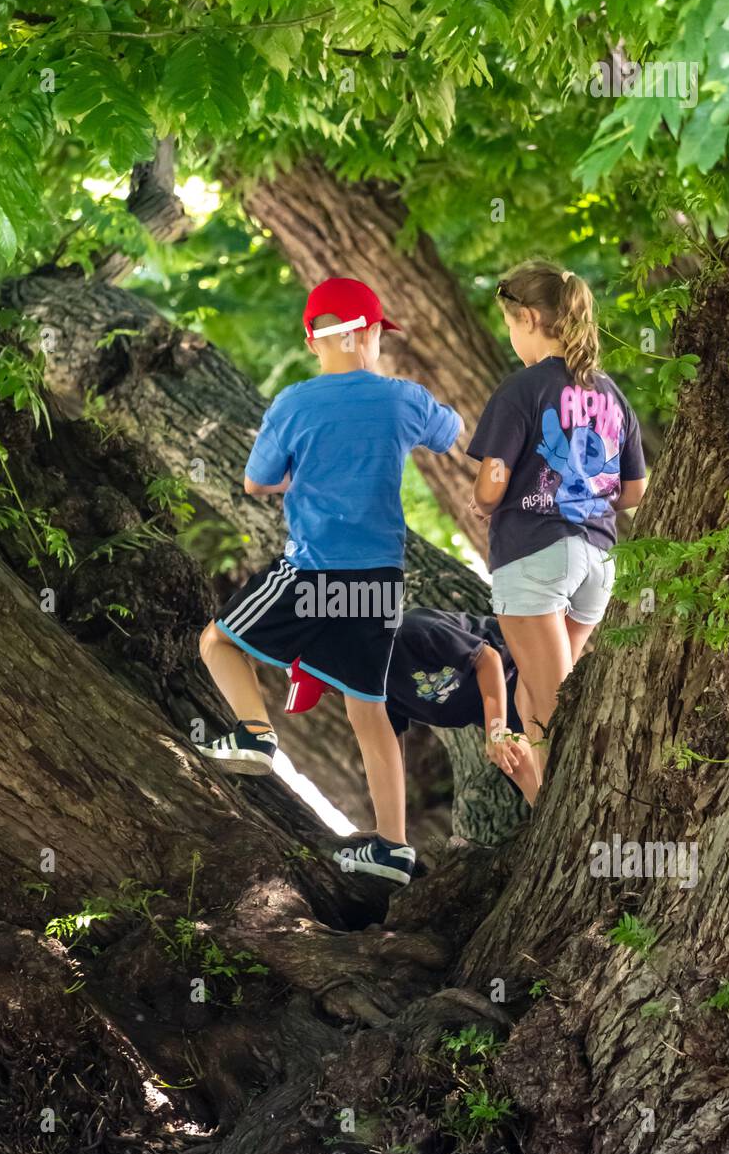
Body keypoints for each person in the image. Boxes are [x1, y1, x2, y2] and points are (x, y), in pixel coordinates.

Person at [197, 276, 464, 884]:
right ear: (369, 333)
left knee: (217, 641)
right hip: (378, 581)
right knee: (370, 713)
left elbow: (257, 483)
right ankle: (394, 847)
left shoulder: (294, 402)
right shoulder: (404, 398)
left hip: (313, 571)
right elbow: (452, 434)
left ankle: (258, 736)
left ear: (314, 341)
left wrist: (308, 479)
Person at [467, 260, 646, 778]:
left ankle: (575, 828)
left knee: (556, 712)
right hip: (598, 560)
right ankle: (540, 811)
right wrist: (581, 497)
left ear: (527, 318)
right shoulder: (611, 395)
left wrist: (481, 500)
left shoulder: (522, 389)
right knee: (533, 698)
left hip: (536, 554)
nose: (509, 336)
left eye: (508, 323)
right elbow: (632, 490)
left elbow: (494, 479)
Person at [384, 607, 540, 807]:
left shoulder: (411, 630)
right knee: (516, 761)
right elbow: (387, 755)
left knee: (515, 749)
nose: (328, 692)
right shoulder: (375, 694)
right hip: (494, 716)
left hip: (518, 676)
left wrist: (496, 733)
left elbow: (488, 659)